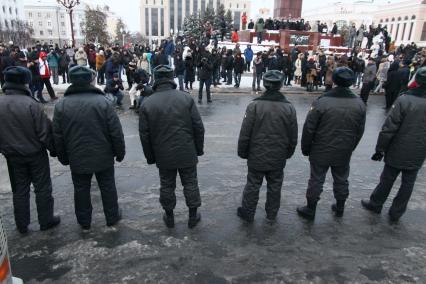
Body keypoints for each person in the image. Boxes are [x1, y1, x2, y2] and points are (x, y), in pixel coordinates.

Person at [52, 66, 125, 230]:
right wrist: (119, 152)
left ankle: (84, 221)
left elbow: (58, 135)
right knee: (107, 186)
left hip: (77, 155)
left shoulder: (62, 105)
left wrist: (63, 157)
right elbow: (115, 132)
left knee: (81, 189)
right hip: (103, 154)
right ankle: (112, 216)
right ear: (90, 80)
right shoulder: (103, 102)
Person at [139, 65, 205, 229]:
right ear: (172, 77)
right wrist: (198, 149)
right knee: (190, 183)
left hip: (163, 153)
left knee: (167, 185)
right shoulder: (185, 98)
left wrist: (150, 157)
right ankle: (192, 216)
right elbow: (198, 127)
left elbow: (144, 135)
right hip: (186, 150)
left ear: (156, 79)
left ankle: (169, 217)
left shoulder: (148, 103)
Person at [297, 67, 366, 220]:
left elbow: (309, 128)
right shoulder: (359, 103)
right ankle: (340, 206)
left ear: (334, 80)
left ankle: (311, 208)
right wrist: (351, 147)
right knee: (341, 178)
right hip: (344, 148)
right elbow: (359, 131)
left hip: (321, 147)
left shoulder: (322, 102)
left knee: (316, 179)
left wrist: (306, 148)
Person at [0, 66, 60, 234]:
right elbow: (44, 132)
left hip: (12, 156)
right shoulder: (31, 105)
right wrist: (54, 149)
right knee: (42, 188)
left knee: (19, 190)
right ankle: (46, 220)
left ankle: (22, 223)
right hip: (35, 154)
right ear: (24, 83)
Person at [361, 67, 426, 222]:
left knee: (388, 178)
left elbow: (389, 128)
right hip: (419, 149)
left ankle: (376, 203)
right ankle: (396, 212)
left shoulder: (404, 100)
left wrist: (380, 149)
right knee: (408, 182)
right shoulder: (406, 99)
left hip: (399, 147)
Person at [237, 70, 298, 222]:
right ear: (281, 85)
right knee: (275, 185)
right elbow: (293, 135)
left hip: (256, 153)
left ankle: (248, 212)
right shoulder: (289, 108)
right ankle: (271, 214)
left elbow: (245, 132)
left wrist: (243, 152)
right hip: (278, 154)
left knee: (253, 184)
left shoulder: (255, 105)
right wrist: (288, 152)